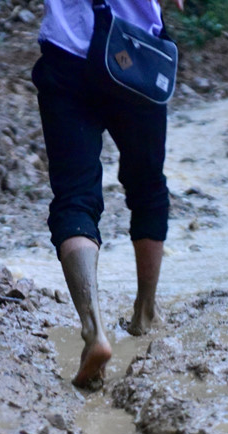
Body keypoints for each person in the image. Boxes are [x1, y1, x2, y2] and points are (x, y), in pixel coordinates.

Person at [32, 0, 182, 389]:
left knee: (74, 196)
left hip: (67, 56)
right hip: (136, 55)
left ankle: (93, 328)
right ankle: (144, 311)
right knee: (147, 185)